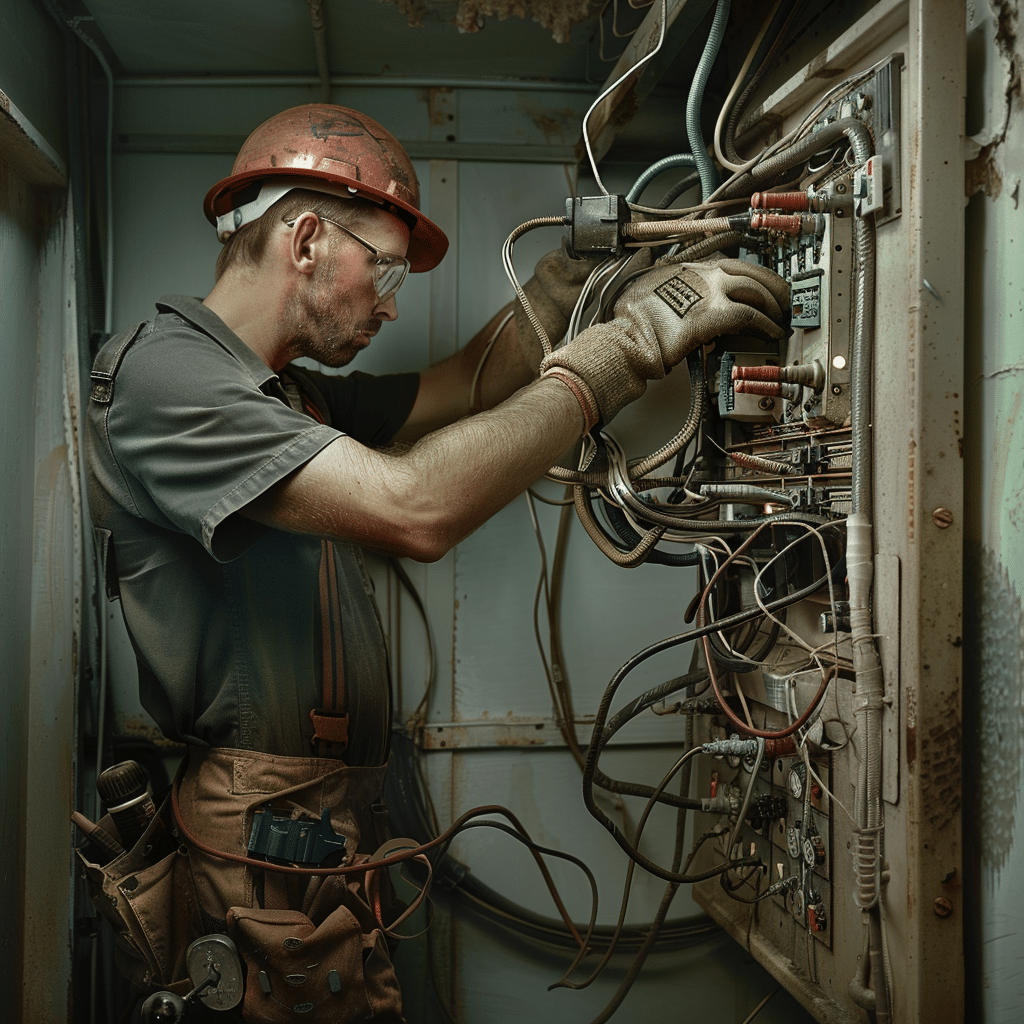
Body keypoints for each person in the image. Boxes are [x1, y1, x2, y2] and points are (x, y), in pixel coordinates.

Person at [84, 103, 790, 1022]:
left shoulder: (287, 395)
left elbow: (464, 384)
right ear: (303, 239)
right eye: (380, 267)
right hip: (260, 823)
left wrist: (562, 288)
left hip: (318, 812)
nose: (388, 301)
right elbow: (415, 509)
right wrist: (630, 347)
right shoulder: (165, 379)